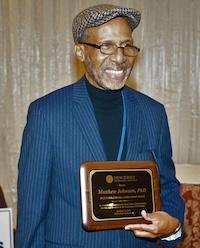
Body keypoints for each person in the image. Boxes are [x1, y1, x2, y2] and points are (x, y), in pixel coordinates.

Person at [16, 4, 185, 248]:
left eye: (126, 45)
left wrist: (172, 224)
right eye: (106, 46)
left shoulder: (153, 113)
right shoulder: (46, 113)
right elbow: (32, 211)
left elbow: (167, 185)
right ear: (81, 52)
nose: (119, 57)